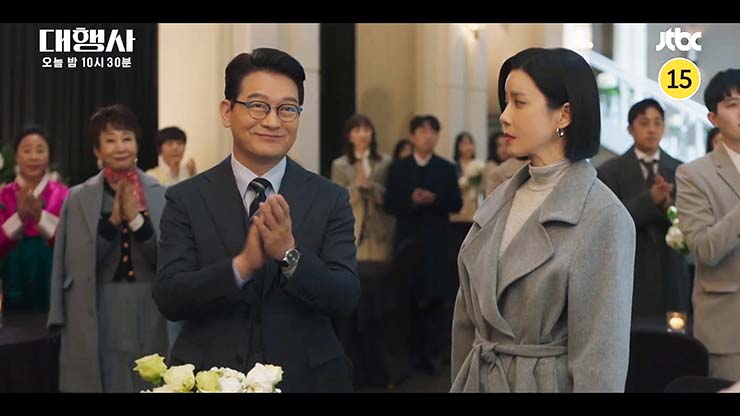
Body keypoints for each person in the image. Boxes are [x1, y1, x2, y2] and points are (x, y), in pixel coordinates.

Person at [152, 48, 360, 392]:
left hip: (308, 378)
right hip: (210, 377)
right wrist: (241, 267)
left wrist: (290, 256)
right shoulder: (186, 198)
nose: (273, 121)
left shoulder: (330, 198)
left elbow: (346, 297)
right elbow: (169, 297)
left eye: (287, 108)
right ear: (227, 111)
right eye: (258, 105)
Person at [451, 48, 635, 392]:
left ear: (563, 114)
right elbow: (466, 323)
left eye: (519, 103)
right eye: (505, 102)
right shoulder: (498, 200)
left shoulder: (602, 217)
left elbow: (600, 362)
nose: (504, 116)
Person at [47, 104, 169, 392]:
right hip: (97, 303)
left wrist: (137, 221)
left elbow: (167, 261)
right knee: (104, 377)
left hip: (150, 306)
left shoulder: (162, 194)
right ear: (97, 150)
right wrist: (112, 222)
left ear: (137, 145)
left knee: (150, 378)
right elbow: (67, 262)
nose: (120, 147)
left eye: (127, 138)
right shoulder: (77, 198)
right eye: (110, 140)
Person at [597, 98, 690, 324]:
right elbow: (608, 222)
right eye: (644, 123)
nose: (651, 129)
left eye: (657, 123)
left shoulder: (681, 170)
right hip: (630, 271)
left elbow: (691, 219)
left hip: (671, 273)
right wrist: (650, 200)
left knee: (675, 339)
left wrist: (668, 205)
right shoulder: (609, 172)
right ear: (630, 129)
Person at [384, 114, 463, 375]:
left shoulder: (446, 167)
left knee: (435, 300)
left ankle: (432, 354)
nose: (428, 137)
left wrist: (434, 199)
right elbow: (389, 204)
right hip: (407, 240)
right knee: (407, 298)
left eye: (433, 132)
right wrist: (411, 200)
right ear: (412, 136)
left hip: (436, 242)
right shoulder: (398, 168)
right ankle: (408, 356)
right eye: (423, 131)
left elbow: (456, 203)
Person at [676, 68, 740, 381]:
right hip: (729, 333)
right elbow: (705, 250)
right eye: (733, 104)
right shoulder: (693, 175)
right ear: (713, 118)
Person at [0, 125, 69, 313]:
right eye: (27, 150)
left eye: (40, 150)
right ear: (16, 156)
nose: (33, 157)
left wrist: (40, 218)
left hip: (51, 280)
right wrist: (20, 217)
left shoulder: (64, 195)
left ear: (49, 156)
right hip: (12, 281)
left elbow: (70, 243)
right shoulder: (3, 195)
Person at [331, 114, 393, 263]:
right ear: (349, 136)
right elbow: (337, 199)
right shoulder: (340, 165)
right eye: (357, 130)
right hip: (353, 228)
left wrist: (372, 187)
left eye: (366, 130)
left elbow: (391, 195)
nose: (363, 134)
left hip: (379, 227)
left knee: (380, 270)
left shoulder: (385, 162)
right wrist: (356, 187)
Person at [483, 131, 528, 196]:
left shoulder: (523, 164)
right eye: (499, 145)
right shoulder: (492, 170)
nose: (503, 149)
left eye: (506, 144)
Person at [450, 132, 482, 223]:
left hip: (474, 208)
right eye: (464, 144)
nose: (468, 147)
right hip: (457, 210)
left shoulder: (479, 165)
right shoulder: (452, 166)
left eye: (470, 144)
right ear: (458, 147)